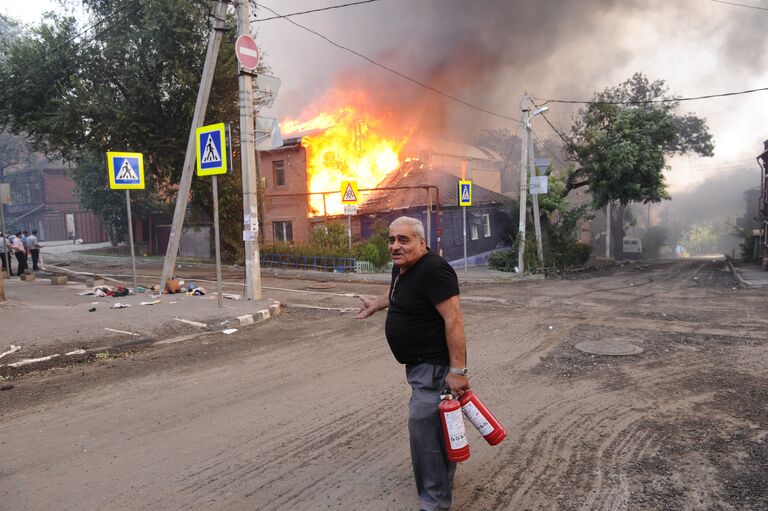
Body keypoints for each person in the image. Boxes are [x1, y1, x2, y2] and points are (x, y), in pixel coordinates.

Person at [356, 216, 469, 511]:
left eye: (403, 240)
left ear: (422, 242)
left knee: (424, 436)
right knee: (434, 430)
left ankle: (434, 504)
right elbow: (398, 296)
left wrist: (458, 371)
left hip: (433, 367)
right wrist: (376, 304)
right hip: (420, 367)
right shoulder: (403, 268)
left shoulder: (434, 270)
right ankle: (442, 482)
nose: (395, 246)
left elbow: (453, 320)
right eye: (392, 240)